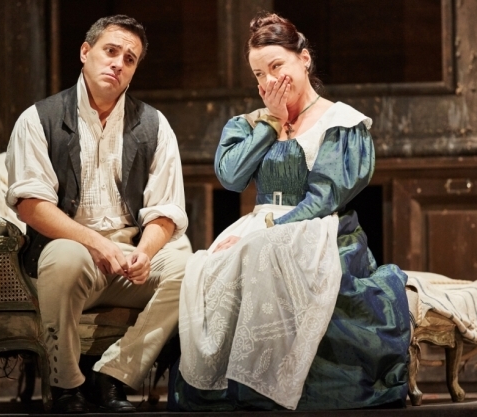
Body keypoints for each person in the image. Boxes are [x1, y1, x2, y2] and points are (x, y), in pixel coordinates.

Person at [172, 13, 411, 411]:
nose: (269, 81)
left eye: (276, 66)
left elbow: (324, 197)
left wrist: (266, 232)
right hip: (259, 225)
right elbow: (231, 178)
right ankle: (228, 385)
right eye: (259, 74)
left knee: (258, 252)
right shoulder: (250, 124)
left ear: (304, 59)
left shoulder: (341, 123)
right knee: (207, 268)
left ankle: (270, 387)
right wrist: (272, 123)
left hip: (319, 229)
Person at [5, 15, 190, 414]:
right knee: (66, 258)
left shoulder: (154, 125)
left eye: (130, 58)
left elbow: (166, 210)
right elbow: (31, 204)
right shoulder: (39, 119)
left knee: (193, 270)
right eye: (111, 51)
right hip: (69, 249)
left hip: (128, 256)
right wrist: (95, 243)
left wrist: (145, 252)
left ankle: (115, 374)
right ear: (85, 52)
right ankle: (66, 384)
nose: (118, 63)